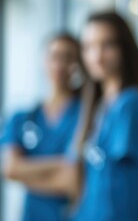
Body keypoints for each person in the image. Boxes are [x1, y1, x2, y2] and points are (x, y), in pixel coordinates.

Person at [71, 12, 138, 221]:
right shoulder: (99, 106)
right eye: (88, 47)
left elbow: (119, 193)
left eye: (107, 45)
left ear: (124, 49)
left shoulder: (130, 104)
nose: (96, 56)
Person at [1, 33, 85, 221]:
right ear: (43, 60)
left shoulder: (86, 114)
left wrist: (26, 172)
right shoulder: (22, 118)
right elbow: (10, 168)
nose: (60, 65)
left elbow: (73, 179)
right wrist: (62, 165)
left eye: (67, 57)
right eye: (54, 56)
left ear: (78, 64)